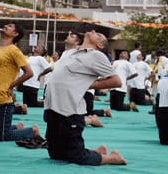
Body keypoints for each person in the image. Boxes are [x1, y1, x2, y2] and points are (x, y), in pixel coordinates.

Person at [43, 24, 127, 166]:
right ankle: (97, 151)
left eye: (98, 35)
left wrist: (89, 85)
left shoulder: (96, 55)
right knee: (55, 154)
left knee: (77, 157)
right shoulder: (71, 53)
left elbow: (116, 81)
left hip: (69, 110)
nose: (93, 31)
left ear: (100, 44)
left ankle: (113, 158)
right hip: (53, 107)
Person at [0, 22, 39, 142]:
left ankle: (32, 131)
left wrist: (12, 85)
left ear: (15, 34)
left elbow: (29, 72)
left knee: (4, 136)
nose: (6, 26)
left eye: (10, 26)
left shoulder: (14, 51)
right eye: (7, 25)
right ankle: (16, 128)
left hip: (3, 99)